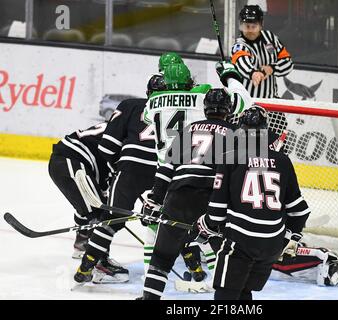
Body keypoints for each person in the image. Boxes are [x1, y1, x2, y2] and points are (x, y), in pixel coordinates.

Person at [193, 105, 312, 300]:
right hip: (271, 245)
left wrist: (202, 226)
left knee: (227, 294)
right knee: (244, 292)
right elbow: (300, 212)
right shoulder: (283, 160)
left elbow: (215, 213)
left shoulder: (230, 157)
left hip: (241, 241)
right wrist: (287, 239)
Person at [137, 88, 238, 300]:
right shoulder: (235, 131)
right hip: (211, 199)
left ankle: (150, 299)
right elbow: (237, 175)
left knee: (162, 257)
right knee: (225, 255)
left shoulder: (188, 129)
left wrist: (154, 200)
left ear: (205, 109)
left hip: (178, 196)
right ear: (228, 110)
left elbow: (166, 169)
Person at [73, 74, 164, 284]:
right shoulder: (177, 111)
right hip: (163, 170)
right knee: (167, 220)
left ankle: (86, 267)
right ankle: (192, 267)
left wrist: (119, 168)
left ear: (148, 91)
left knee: (111, 220)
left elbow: (106, 147)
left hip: (130, 167)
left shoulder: (130, 105)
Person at [48, 122, 111, 259]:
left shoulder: (117, 124)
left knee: (86, 205)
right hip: (74, 162)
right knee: (99, 212)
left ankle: (82, 244)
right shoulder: (126, 132)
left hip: (64, 160)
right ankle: (99, 262)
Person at [231, 4, 294, 98]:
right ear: (241, 25)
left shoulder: (270, 38)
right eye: (247, 26)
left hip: (272, 100)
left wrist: (272, 68)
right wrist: (252, 73)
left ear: (261, 25)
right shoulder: (239, 45)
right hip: (248, 103)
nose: (250, 30)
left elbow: (288, 63)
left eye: (254, 26)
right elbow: (242, 63)